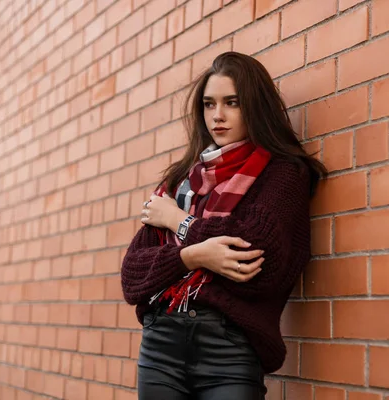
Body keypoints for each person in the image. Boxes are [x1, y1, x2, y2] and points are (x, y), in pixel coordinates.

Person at [121, 51, 327, 400]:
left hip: (229, 349)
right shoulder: (180, 183)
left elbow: (255, 256)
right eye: (208, 104)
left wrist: (178, 221)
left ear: (255, 106)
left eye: (232, 102)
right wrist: (193, 256)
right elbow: (132, 276)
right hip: (161, 345)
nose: (218, 116)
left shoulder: (282, 175)